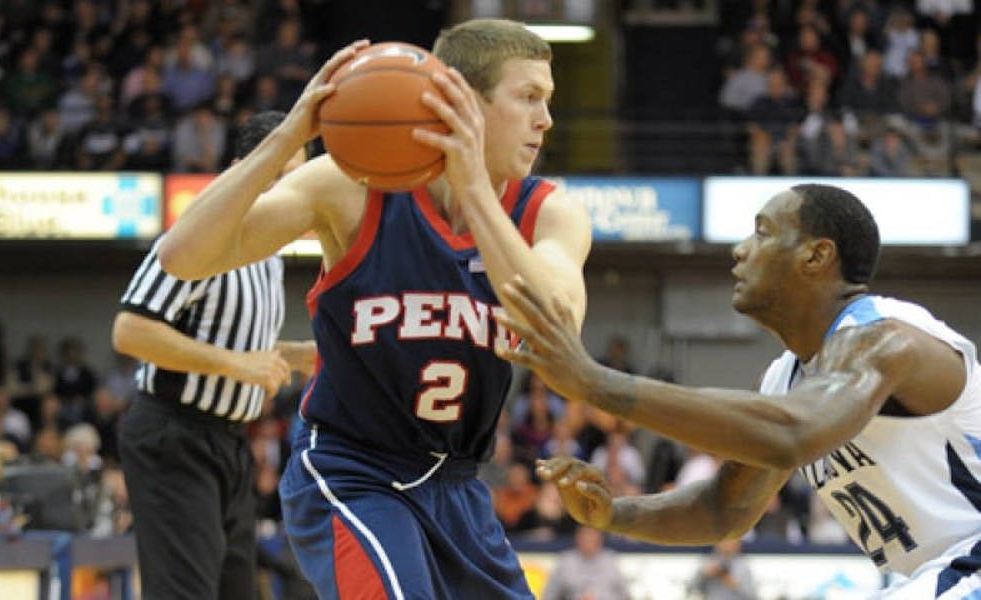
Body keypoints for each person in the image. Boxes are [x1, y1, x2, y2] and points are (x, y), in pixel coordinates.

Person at [157, 18, 591, 600]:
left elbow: (559, 330)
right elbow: (181, 256)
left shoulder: (552, 212)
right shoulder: (354, 183)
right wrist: (287, 136)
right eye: (529, 97)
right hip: (354, 471)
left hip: (458, 485)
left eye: (547, 100)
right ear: (461, 102)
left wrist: (474, 190)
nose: (546, 119)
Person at [497, 183, 981, 598]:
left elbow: (795, 433)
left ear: (816, 255)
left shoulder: (885, 338)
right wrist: (614, 514)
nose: (740, 250)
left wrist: (596, 383)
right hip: (931, 574)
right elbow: (723, 509)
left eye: (762, 232)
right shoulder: (783, 382)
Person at [112, 110, 316, 600]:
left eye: (298, 177)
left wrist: (293, 354)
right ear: (241, 170)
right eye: (278, 174)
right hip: (174, 436)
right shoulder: (199, 238)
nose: (290, 190)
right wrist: (238, 365)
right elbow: (130, 330)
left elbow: (228, 341)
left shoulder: (268, 251)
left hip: (228, 443)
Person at [541, 525, 631, 600]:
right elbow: (549, 595)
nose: (588, 540)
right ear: (577, 538)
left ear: (600, 539)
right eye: (585, 536)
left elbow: (625, 595)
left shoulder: (610, 560)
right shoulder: (566, 561)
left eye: (592, 536)